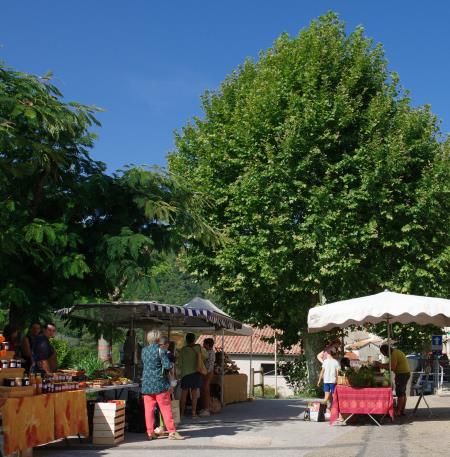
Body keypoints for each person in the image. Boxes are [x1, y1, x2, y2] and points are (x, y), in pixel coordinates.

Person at [141, 329, 184, 440]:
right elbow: (167, 366)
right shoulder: (161, 351)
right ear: (157, 339)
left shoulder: (144, 351)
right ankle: (172, 432)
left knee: (148, 410)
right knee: (165, 408)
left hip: (146, 384)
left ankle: (150, 432)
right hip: (160, 384)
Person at [178, 332, 207, 418]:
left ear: (186, 340)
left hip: (185, 374)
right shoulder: (198, 348)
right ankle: (194, 414)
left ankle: (182, 413)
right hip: (196, 373)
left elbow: (179, 363)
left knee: (184, 394)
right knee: (194, 395)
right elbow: (206, 356)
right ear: (194, 339)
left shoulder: (183, 350)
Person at [379, 344, 411, 416]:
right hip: (404, 373)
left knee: (400, 393)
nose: (383, 355)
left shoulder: (394, 354)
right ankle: (402, 410)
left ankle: (398, 411)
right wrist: (382, 364)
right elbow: (391, 364)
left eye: (383, 353)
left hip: (402, 374)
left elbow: (392, 367)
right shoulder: (395, 352)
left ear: (386, 351)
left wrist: (380, 365)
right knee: (402, 392)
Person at [199, 338, 215, 417]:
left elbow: (207, 365)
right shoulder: (210, 352)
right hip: (208, 372)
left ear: (208, 345)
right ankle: (205, 408)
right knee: (204, 390)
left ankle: (207, 409)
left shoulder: (209, 352)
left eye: (204, 344)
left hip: (207, 373)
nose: (203, 345)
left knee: (206, 390)